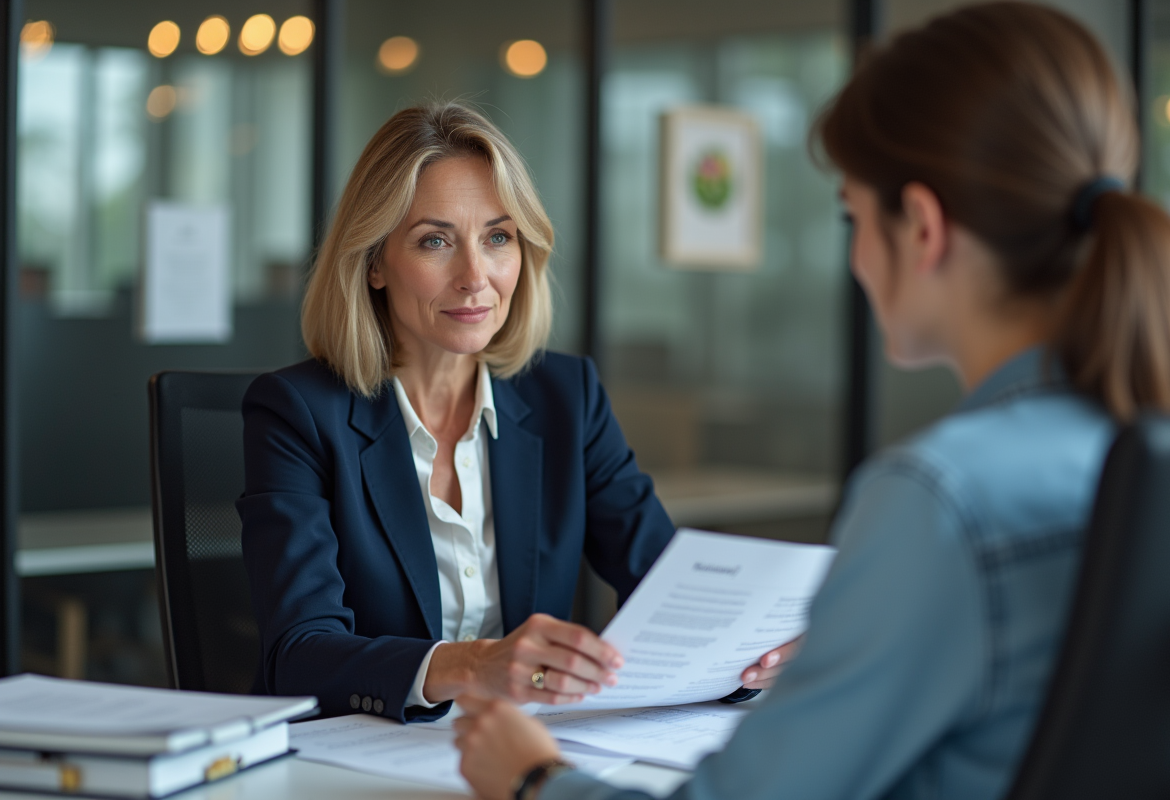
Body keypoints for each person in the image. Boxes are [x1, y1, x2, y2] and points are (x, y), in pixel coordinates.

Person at [451, 3, 1170, 798]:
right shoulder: (1152, 442)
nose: (855, 257)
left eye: (852, 215)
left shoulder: (939, 498)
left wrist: (532, 777)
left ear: (921, 227)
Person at [238, 103, 789, 724]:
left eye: (497, 237)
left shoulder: (566, 398)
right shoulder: (298, 414)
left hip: (516, 747)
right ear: (374, 263)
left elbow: (668, 588)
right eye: (435, 241)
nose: (476, 276)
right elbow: (299, 654)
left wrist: (752, 655)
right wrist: (473, 665)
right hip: (355, 755)